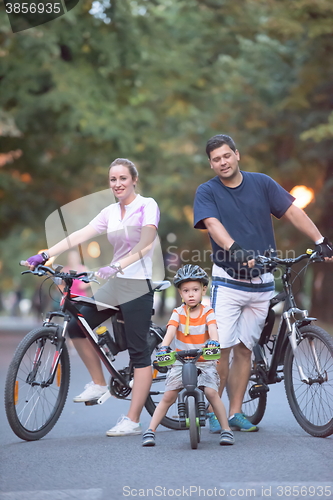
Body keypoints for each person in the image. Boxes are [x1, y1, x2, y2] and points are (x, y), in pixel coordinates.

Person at [193, 134, 333, 433]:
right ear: (211, 164)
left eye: (227, 156)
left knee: (245, 349)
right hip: (229, 282)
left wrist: (320, 240)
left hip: (262, 282)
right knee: (223, 349)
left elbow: (292, 211)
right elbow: (213, 226)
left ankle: (234, 413)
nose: (223, 162)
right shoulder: (207, 191)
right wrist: (236, 249)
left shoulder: (262, 183)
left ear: (237, 155)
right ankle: (213, 408)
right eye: (216, 159)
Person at [25, 158, 161, 437]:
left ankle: (133, 420)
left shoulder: (147, 205)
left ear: (134, 179)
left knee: (139, 354)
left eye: (123, 178)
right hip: (115, 284)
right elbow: (80, 234)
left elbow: (146, 244)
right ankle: (99, 382)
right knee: (77, 325)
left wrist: (118, 265)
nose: (118, 184)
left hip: (137, 284)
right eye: (113, 179)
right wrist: (47, 254)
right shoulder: (110, 212)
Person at [142, 264, 235, 447]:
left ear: (203, 289)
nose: (191, 294)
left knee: (211, 393)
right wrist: (164, 346)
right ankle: (150, 430)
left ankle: (226, 430)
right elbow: (170, 331)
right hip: (181, 361)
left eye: (195, 290)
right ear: (180, 293)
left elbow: (213, 329)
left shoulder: (207, 312)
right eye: (186, 291)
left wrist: (214, 341)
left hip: (204, 361)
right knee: (168, 395)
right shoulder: (178, 312)